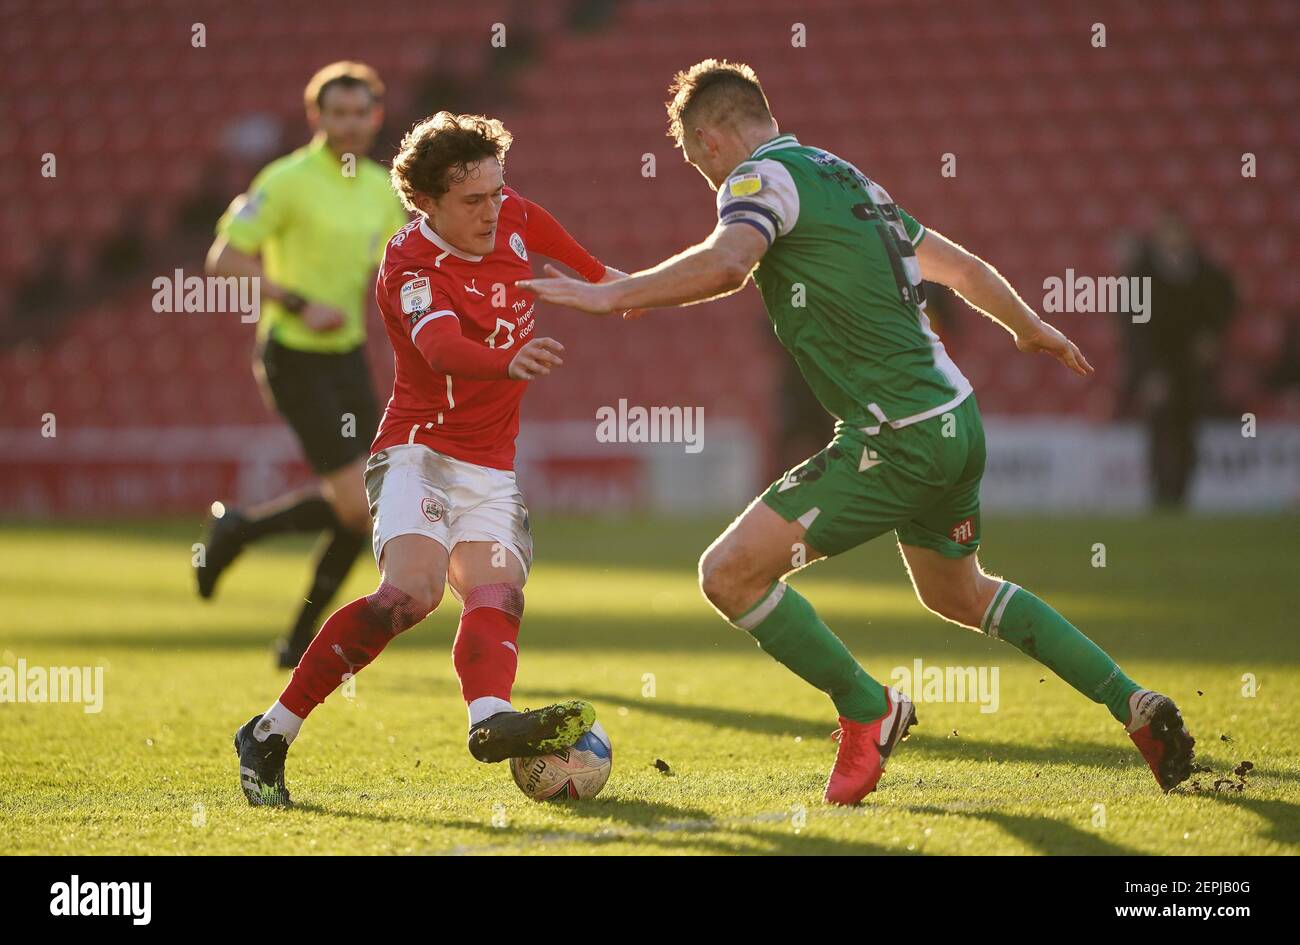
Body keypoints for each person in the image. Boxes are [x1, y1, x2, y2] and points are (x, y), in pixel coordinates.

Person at [522, 60, 1197, 804]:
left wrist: (610, 293)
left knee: (729, 573)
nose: (698, 173)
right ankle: (1133, 705)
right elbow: (962, 268)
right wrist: (1027, 325)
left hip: (894, 435)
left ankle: (867, 708)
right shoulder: (849, 180)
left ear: (711, 138)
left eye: (690, 157)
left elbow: (729, 264)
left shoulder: (755, 180)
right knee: (960, 592)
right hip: (954, 419)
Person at [233, 112, 632, 806]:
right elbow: (443, 349)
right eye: (473, 200)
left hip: (491, 466)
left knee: (497, 592)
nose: (493, 210)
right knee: (409, 594)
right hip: (419, 450)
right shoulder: (409, 264)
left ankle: (488, 719)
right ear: (425, 202)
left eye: (497, 192)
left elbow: (600, 274)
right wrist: (509, 361)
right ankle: (270, 731)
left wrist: (633, 291)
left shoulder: (514, 216)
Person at [199, 62, 411, 668]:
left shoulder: (379, 188)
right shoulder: (287, 179)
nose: (348, 125)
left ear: (376, 118)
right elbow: (224, 259)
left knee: (362, 509)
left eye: (359, 113)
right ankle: (239, 533)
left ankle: (295, 638)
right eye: (335, 113)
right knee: (355, 505)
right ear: (315, 117)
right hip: (292, 355)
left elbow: (406, 266)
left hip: (346, 359)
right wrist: (296, 300)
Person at [1122, 209, 1236, 507]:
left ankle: (1182, 495)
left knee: (1188, 429)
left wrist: (1212, 335)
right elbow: (1132, 328)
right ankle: (1161, 495)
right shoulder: (1140, 272)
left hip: (1192, 367)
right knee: (1160, 428)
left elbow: (1226, 299)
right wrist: (1147, 372)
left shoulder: (1204, 272)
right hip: (1155, 364)